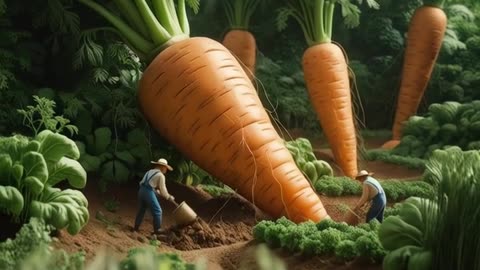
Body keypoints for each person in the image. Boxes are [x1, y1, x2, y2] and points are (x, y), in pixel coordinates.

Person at [132, 158, 175, 234]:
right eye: (166, 168)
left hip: (141, 191)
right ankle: (157, 231)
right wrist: (169, 197)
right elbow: (163, 190)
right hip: (148, 192)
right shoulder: (161, 175)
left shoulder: (149, 172)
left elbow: (147, 183)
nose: (166, 170)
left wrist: (155, 191)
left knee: (141, 210)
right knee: (158, 211)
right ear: (163, 167)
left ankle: (136, 228)